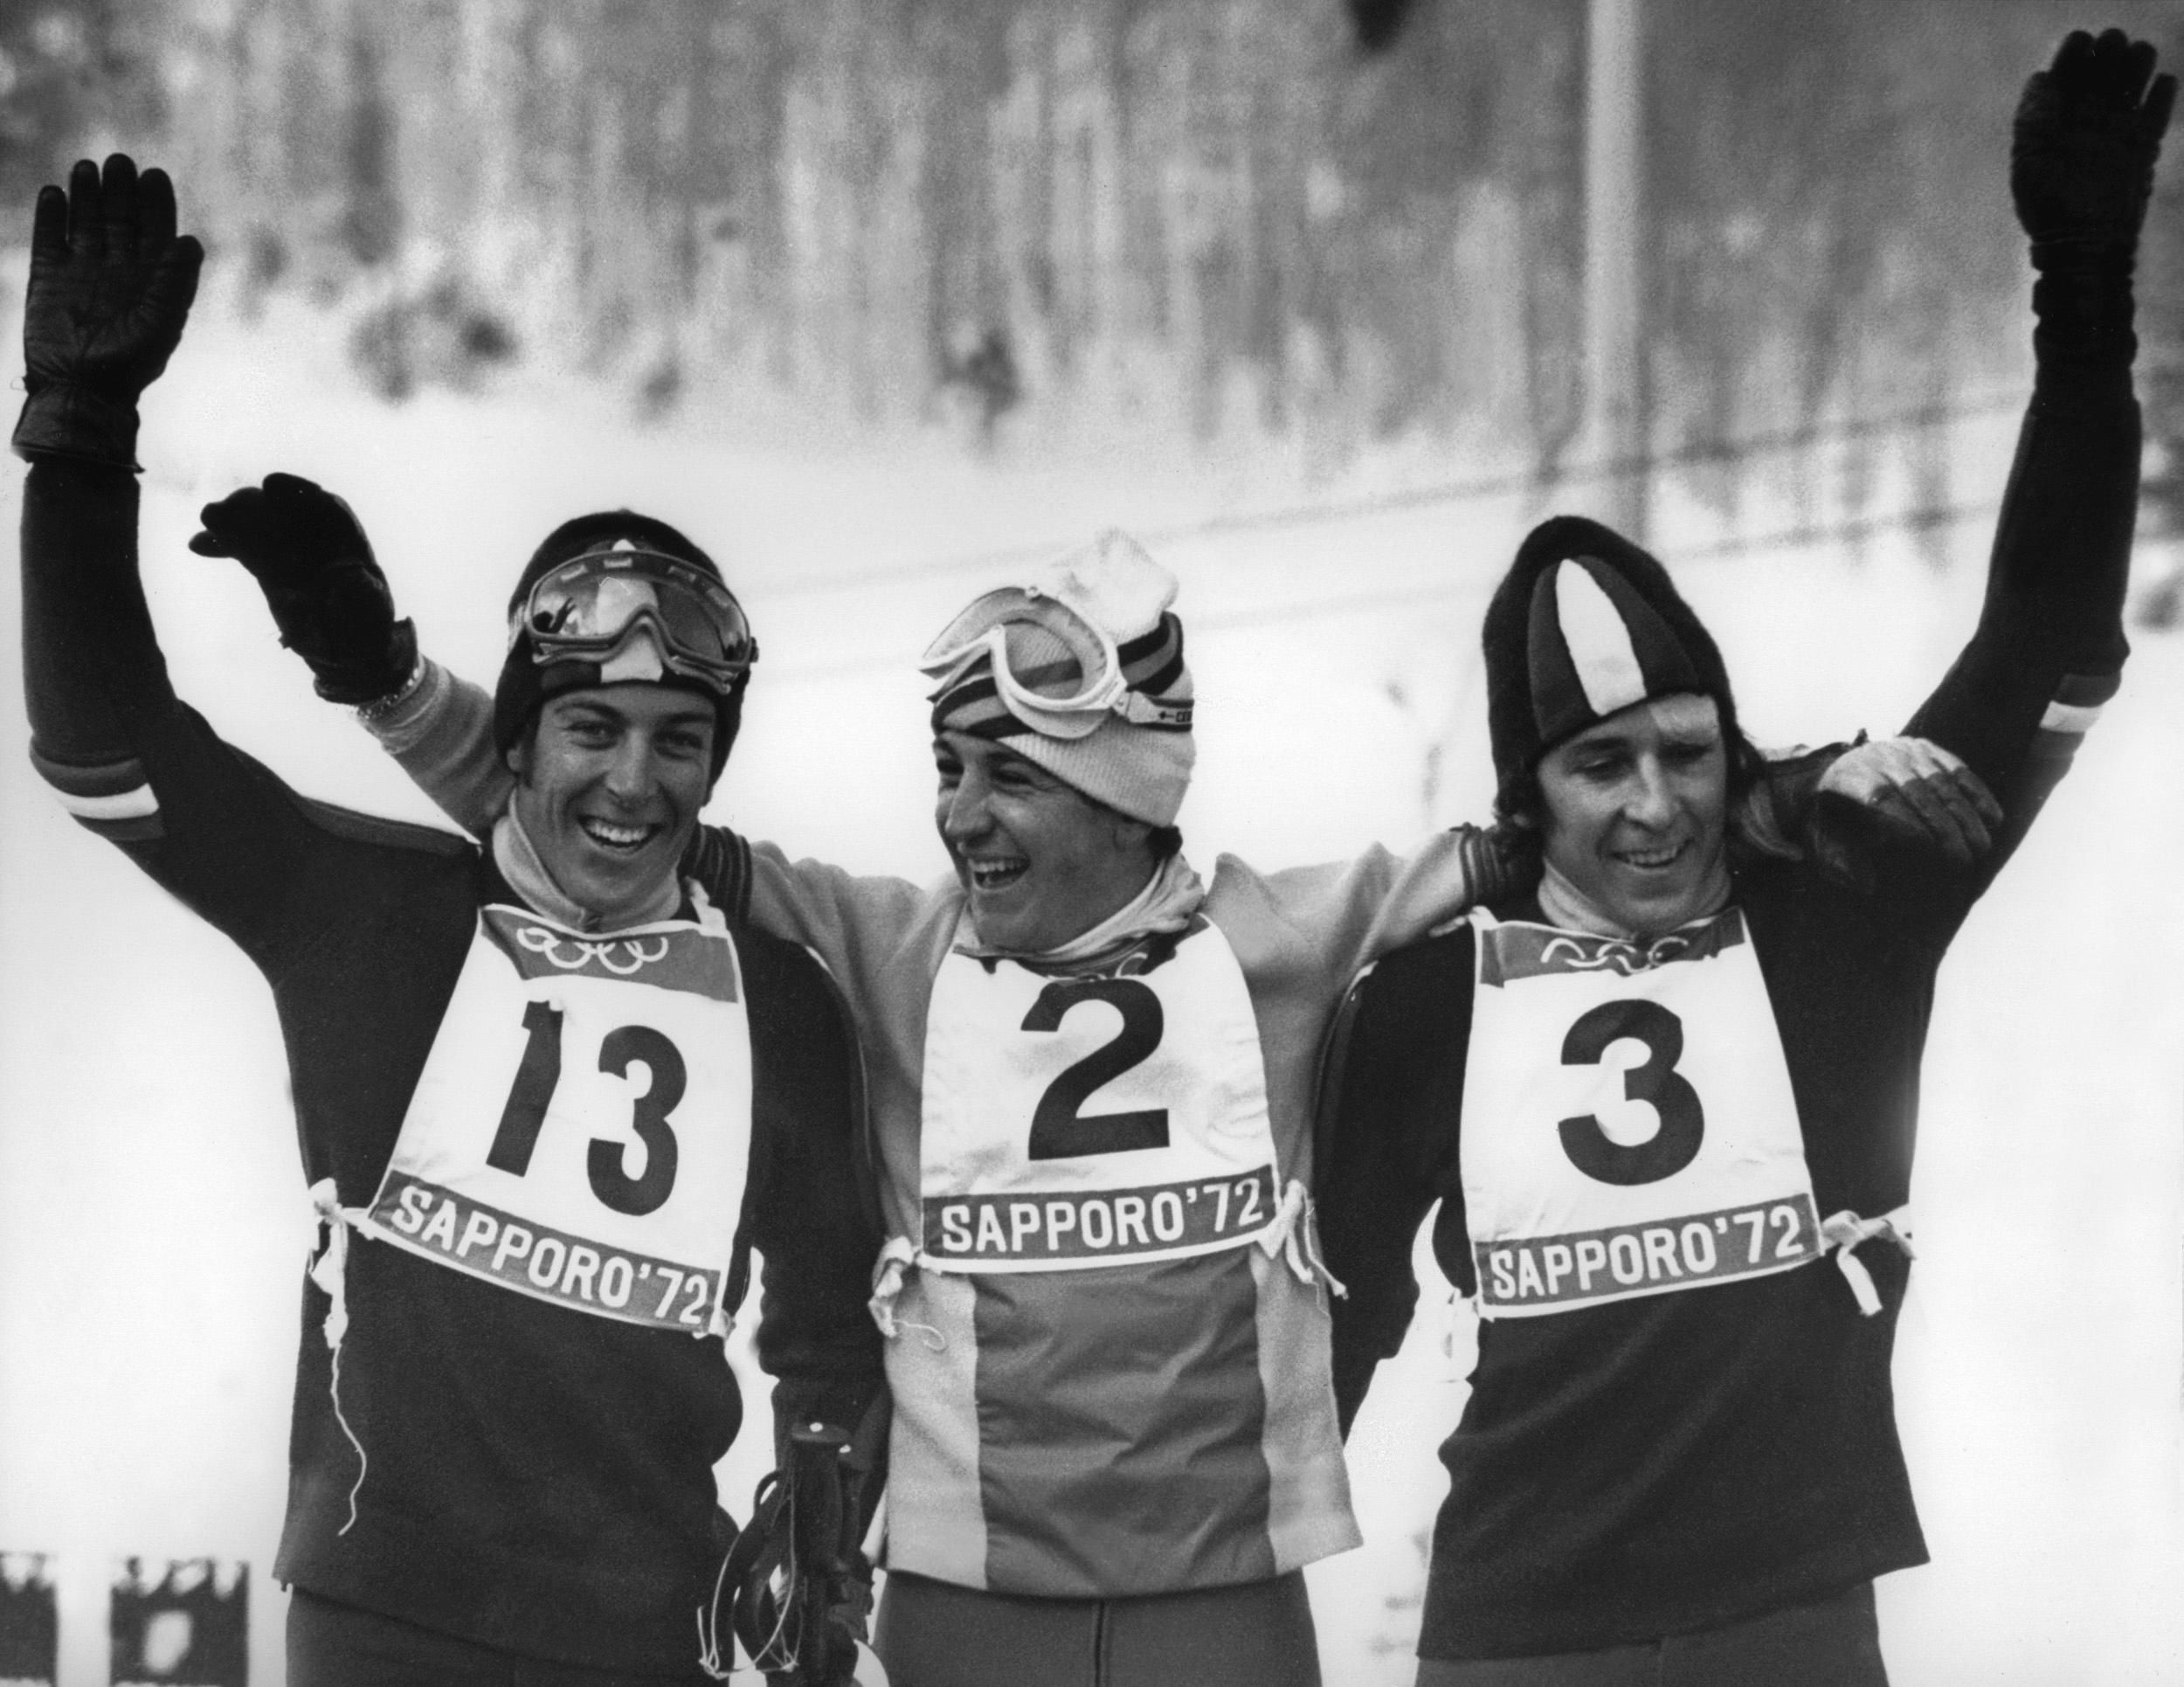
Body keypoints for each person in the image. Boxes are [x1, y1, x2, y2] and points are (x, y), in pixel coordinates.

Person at [1313, 29, 2167, 1686]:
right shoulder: (1434, 999)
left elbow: (2055, 634)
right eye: (1599, 767)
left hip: (1791, 1620)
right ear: (1530, 794)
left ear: (1735, 746)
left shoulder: (1847, 895)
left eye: (1688, 755)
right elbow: (1329, 1339)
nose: (1654, 809)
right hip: (1519, 1634)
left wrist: (2083, 294)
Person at [14, 156, 884, 1684]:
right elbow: (100, 744)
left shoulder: (781, 1005)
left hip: (649, 1634)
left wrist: (821, 1529)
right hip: (386, 1621)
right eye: (593, 732)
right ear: (529, 736)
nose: (633, 783)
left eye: (680, 741)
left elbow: (827, 1326)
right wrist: (78, 441)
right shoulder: (380, 916)